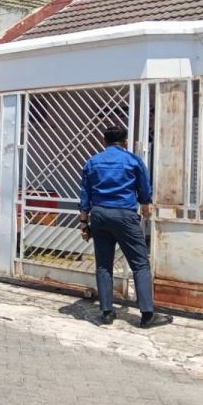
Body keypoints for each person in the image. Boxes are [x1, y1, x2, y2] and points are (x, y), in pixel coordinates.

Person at [78, 124, 158, 327]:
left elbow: (85, 194)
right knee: (140, 264)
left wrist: (84, 223)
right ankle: (147, 314)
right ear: (125, 142)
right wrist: (145, 203)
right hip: (124, 214)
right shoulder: (133, 160)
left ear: (104, 141)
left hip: (99, 215)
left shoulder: (93, 161)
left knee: (103, 265)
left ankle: (106, 312)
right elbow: (144, 189)